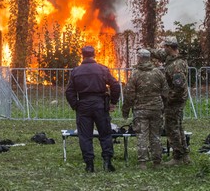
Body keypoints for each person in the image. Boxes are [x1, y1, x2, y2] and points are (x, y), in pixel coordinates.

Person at [65, 45, 121, 173]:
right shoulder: (102, 69)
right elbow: (115, 85)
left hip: (83, 105)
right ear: (94, 55)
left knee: (85, 136)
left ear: (82, 55)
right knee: (105, 134)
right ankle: (107, 162)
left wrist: (76, 105)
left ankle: (89, 165)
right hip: (100, 104)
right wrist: (113, 102)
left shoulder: (76, 71)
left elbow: (69, 92)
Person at [122, 48, 169, 170]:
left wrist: (125, 110)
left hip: (140, 109)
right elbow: (165, 92)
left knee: (142, 136)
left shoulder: (135, 74)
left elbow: (129, 94)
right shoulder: (158, 73)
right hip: (156, 109)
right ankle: (157, 162)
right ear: (149, 58)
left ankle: (142, 163)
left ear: (139, 58)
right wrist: (163, 106)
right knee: (155, 136)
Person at [150, 36, 190, 165]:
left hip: (175, 101)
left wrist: (168, 99)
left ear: (169, 47)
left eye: (164, 47)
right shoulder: (172, 58)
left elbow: (179, 87)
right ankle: (185, 155)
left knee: (172, 128)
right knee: (178, 127)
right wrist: (148, 50)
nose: (163, 49)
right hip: (175, 99)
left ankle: (178, 157)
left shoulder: (176, 66)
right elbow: (160, 54)